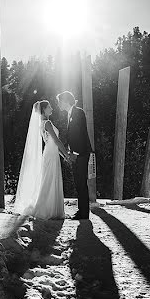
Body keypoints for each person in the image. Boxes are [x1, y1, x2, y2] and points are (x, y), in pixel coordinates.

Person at [12, 100, 66, 219]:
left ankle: (50, 209)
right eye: (49, 107)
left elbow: (53, 143)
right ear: (44, 109)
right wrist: (66, 154)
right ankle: (45, 209)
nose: (52, 108)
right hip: (50, 155)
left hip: (50, 153)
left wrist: (63, 156)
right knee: (48, 180)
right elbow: (56, 141)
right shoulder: (47, 123)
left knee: (49, 179)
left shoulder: (42, 123)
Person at [57, 91, 93, 220]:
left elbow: (81, 134)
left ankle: (84, 214)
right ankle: (81, 211)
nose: (58, 104)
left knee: (81, 183)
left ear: (66, 101)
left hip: (81, 154)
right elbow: (72, 136)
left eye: (59, 101)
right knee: (78, 183)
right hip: (75, 154)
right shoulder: (69, 114)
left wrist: (76, 153)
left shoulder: (79, 112)